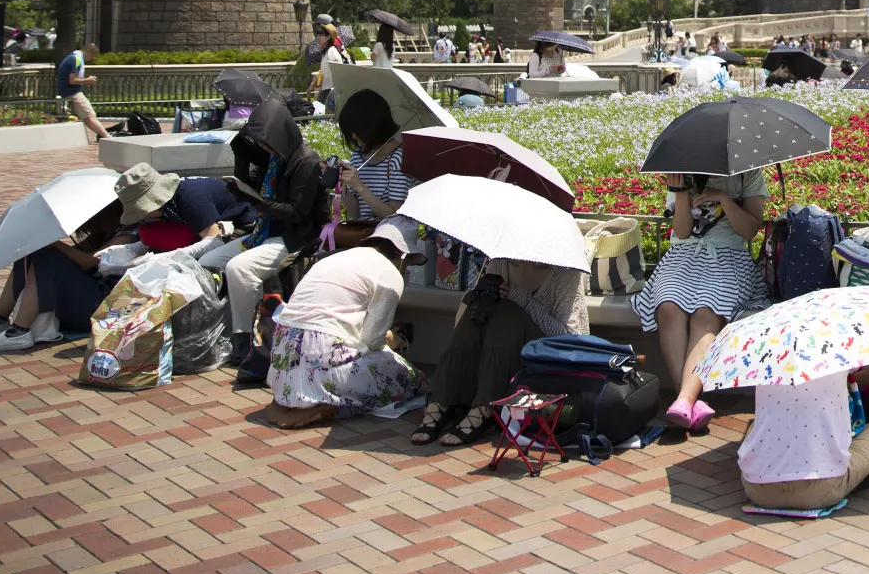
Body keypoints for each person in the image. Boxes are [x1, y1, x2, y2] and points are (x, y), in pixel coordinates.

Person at [631, 167, 770, 432]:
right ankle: (688, 401)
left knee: (707, 312)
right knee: (669, 308)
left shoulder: (746, 173)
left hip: (728, 257)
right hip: (682, 258)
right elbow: (681, 232)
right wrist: (680, 193)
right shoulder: (679, 172)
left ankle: (683, 399)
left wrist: (725, 199)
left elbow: (750, 230)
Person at [412, 255, 592, 445]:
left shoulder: (567, 273)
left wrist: (521, 299)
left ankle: (485, 408)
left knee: (508, 311)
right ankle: (442, 400)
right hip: (499, 347)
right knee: (481, 307)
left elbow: (570, 336)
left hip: (545, 355)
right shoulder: (499, 262)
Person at [267, 217, 426, 427]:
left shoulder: (333, 259)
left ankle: (289, 400)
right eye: (407, 263)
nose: (405, 269)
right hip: (324, 357)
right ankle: (329, 406)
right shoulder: (390, 274)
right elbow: (371, 340)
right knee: (411, 379)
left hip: (281, 356)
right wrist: (392, 339)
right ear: (401, 255)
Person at [212, 99, 335, 367]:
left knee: (238, 268)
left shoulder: (306, 161)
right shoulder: (274, 159)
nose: (264, 147)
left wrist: (255, 199)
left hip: (294, 236)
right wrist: (241, 155)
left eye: (267, 141)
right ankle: (216, 331)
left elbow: (296, 212)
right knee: (208, 262)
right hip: (264, 232)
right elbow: (247, 185)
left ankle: (246, 339)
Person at [738, 359, 869, 511]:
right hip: (819, 491)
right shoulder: (837, 351)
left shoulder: (765, 360)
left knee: (757, 425)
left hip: (757, 489)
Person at [0, 201, 123, 352]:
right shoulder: (105, 231)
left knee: (48, 258)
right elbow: (76, 255)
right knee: (35, 253)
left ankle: (20, 332)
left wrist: (56, 245)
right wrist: (48, 244)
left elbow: (89, 262)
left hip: (101, 309)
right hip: (87, 298)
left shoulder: (127, 234)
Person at [113, 162, 254, 250]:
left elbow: (214, 241)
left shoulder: (190, 198)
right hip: (211, 225)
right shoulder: (171, 203)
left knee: (206, 262)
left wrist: (171, 257)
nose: (145, 215)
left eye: (143, 210)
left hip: (244, 225)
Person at [335, 89, 410, 221]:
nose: (353, 136)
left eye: (357, 130)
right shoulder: (358, 156)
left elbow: (394, 216)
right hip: (362, 233)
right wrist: (341, 184)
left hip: (387, 236)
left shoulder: (398, 159)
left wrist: (360, 187)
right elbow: (357, 214)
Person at [56, 42, 111, 144]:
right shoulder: (75, 59)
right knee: (90, 115)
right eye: (93, 55)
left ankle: (104, 135)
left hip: (69, 92)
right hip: (72, 92)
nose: (92, 59)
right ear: (89, 51)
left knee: (88, 117)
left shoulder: (74, 58)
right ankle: (108, 137)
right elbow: (72, 80)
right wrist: (87, 81)